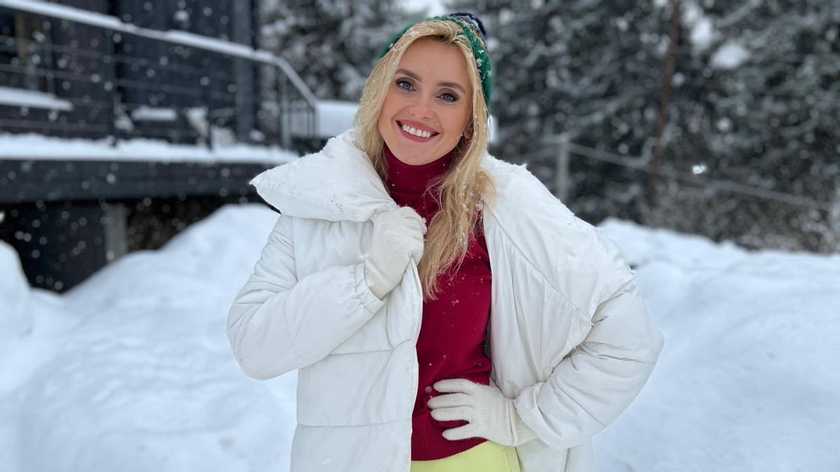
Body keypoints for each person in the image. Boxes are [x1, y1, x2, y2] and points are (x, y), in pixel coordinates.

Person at [227, 12, 664, 472]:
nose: (421, 109)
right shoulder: (322, 202)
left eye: (448, 95)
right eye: (406, 84)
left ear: (472, 119)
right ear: (379, 89)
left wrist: (521, 418)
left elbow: (628, 337)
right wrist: (366, 282)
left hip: (470, 460)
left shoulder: (508, 206)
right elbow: (254, 346)